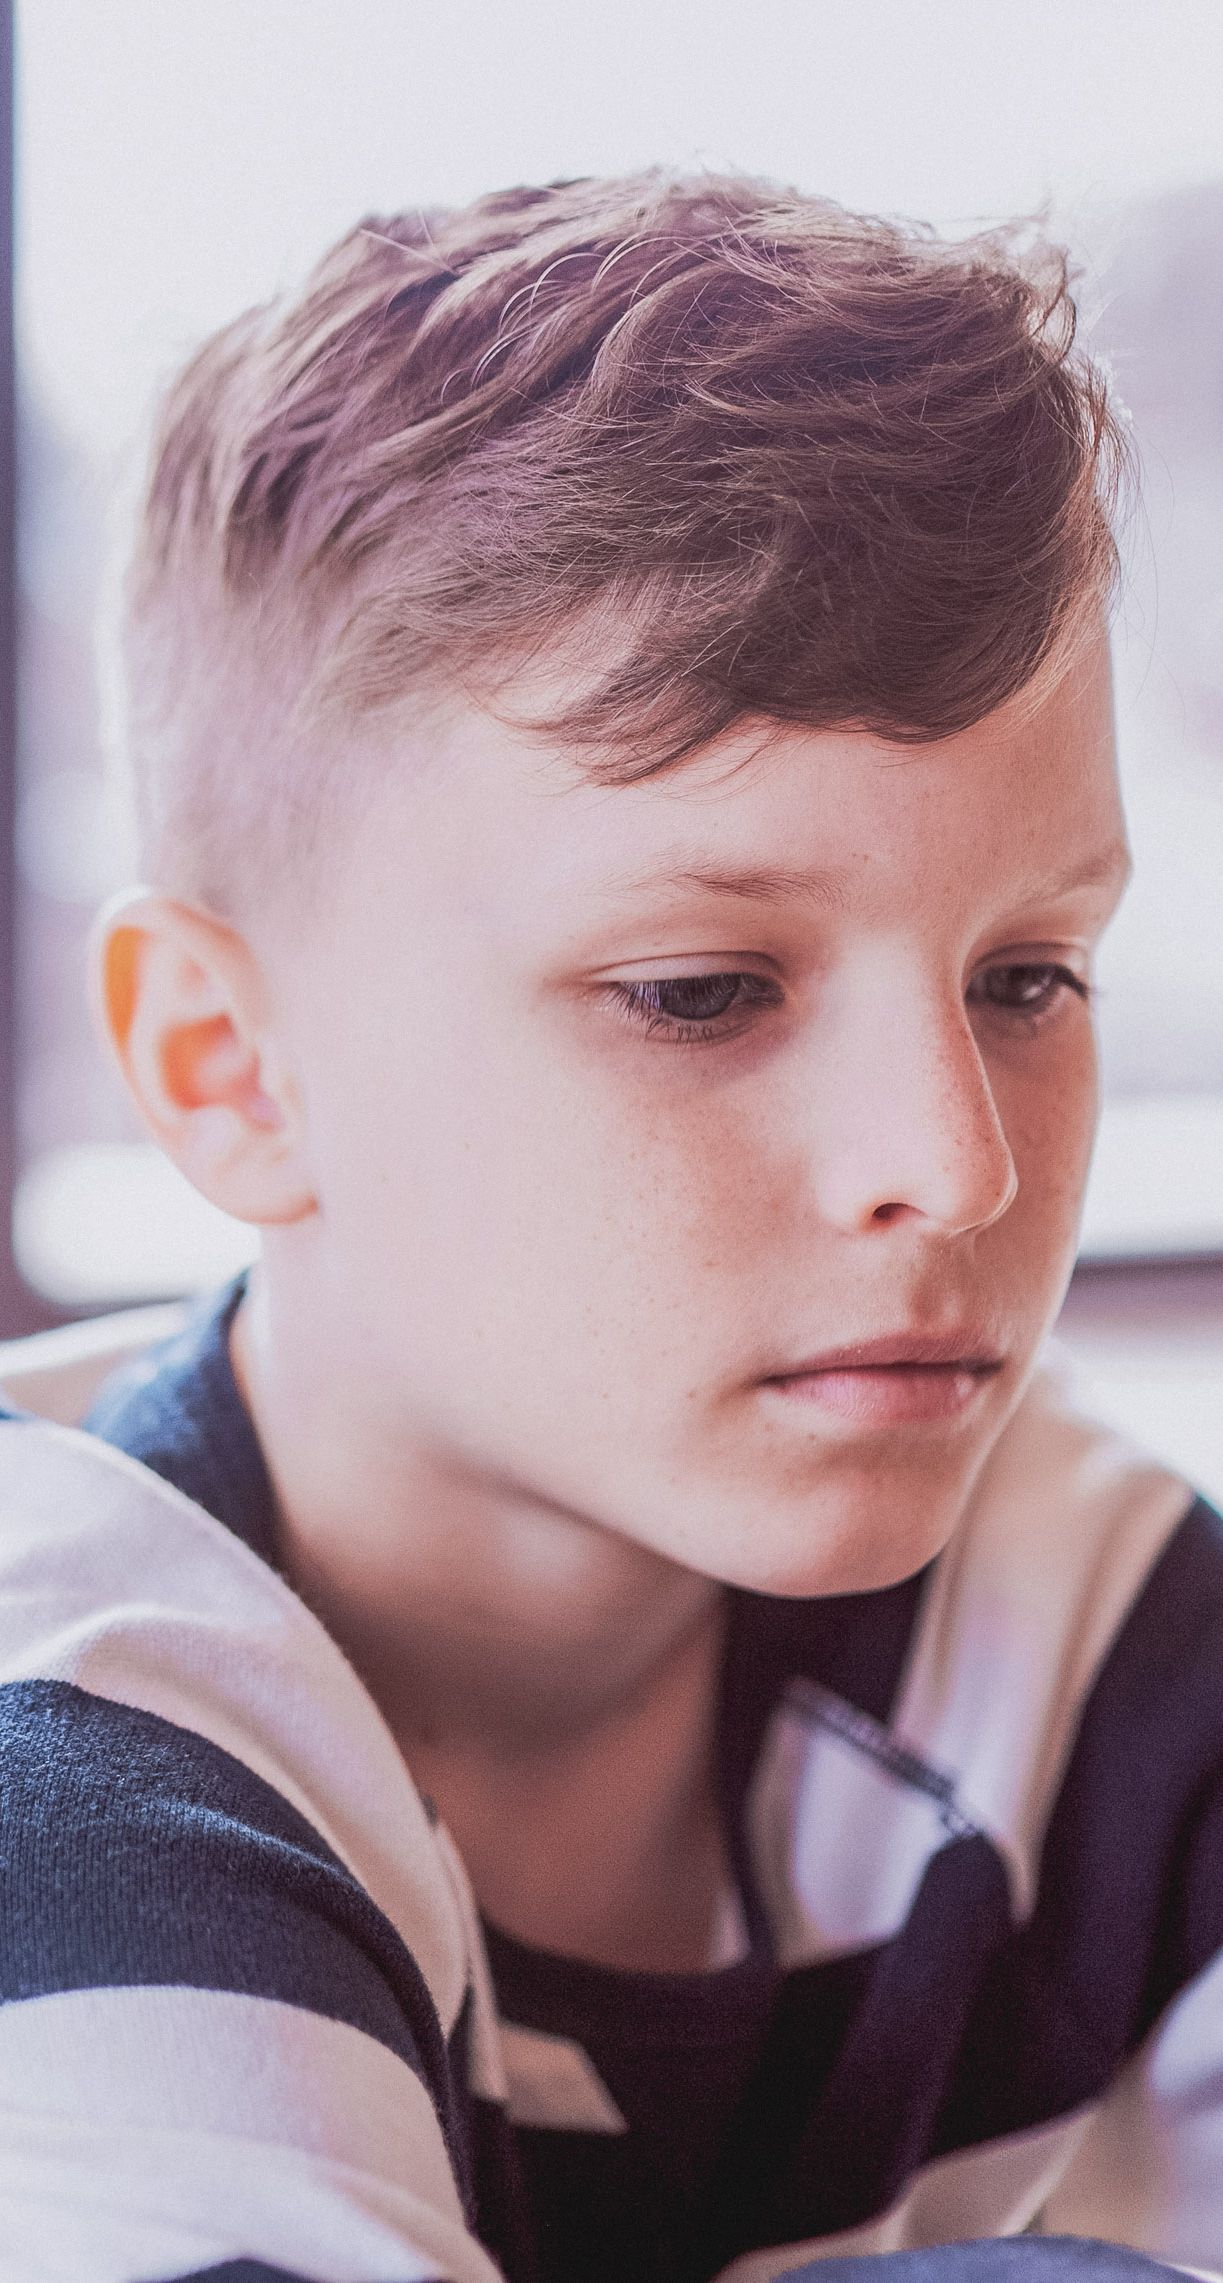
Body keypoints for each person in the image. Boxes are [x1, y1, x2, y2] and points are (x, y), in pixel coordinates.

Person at [0, 171, 1218, 2283]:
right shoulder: (64, 1748)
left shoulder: (1100, 1623)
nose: (960, 1164)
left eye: (1028, 973)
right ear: (229, 1067)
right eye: (701, 991)